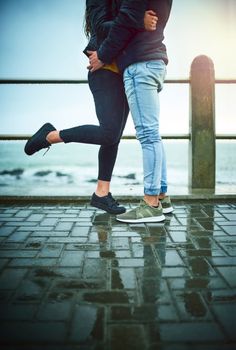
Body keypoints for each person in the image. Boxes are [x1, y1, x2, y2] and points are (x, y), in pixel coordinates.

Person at [24, 0, 157, 215]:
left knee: (113, 136)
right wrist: (137, 20)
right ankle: (50, 135)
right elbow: (99, 25)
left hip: (123, 71)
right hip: (103, 71)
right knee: (108, 133)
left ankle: (102, 194)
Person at [88, 0, 174, 223]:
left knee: (148, 135)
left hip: (140, 63)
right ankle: (162, 199)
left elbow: (125, 20)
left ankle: (150, 204)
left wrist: (103, 55)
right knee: (153, 134)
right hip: (155, 60)